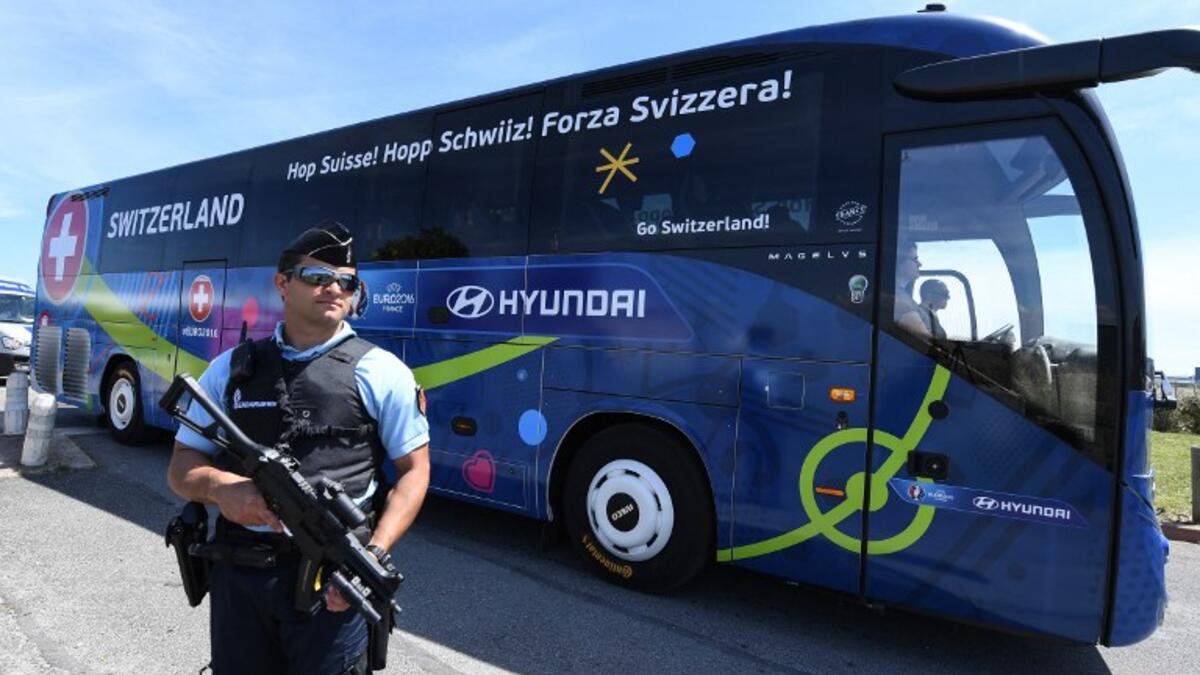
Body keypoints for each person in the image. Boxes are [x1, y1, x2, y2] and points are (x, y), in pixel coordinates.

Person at [166, 220, 431, 675]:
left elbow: (414, 471)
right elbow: (181, 466)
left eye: (346, 281)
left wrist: (375, 552)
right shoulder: (231, 369)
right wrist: (222, 489)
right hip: (240, 579)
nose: (334, 288)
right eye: (317, 276)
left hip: (333, 586)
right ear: (282, 284)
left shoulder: (382, 372)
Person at [893, 240, 930, 338]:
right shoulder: (896, 298)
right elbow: (925, 341)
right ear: (899, 263)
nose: (919, 264)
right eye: (915, 259)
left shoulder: (903, 295)